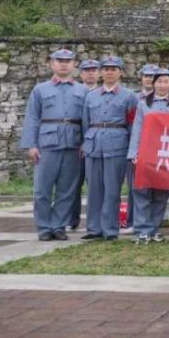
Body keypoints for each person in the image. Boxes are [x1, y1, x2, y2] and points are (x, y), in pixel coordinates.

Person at [20, 48, 87, 242]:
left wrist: (85, 143)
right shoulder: (40, 89)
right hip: (47, 145)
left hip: (72, 145)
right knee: (42, 189)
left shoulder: (82, 90)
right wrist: (31, 145)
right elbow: (32, 118)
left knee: (67, 190)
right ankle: (44, 227)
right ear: (52, 64)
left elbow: (87, 120)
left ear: (74, 64)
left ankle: (58, 226)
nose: (64, 63)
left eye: (68, 60)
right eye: (60, 60)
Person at [81, 55, 138, 241]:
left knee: (112, 189)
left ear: (120, 72)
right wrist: (85, 143)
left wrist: (132, 150)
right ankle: (93, 228)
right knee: (94, 189)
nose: (109, 72)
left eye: (113, 69)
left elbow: (132, 125)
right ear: (100, 72)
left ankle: (110, 229)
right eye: (106, 69)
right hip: (94, 144)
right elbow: (85, 122)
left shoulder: (130, 96)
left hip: (117, 145)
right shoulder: (91, 96)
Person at [127, 68, 169, 244]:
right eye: (159, 81)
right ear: (154, 84)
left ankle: (154, 229)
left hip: (166, 154)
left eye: (166, 81)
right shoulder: (144, 104)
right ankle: (142, 229)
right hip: (146, 153)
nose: (162, 85)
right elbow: (137, 129)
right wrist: (134, 153)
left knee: (161, 194)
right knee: (142, 192)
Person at [124, 63, 158, 233]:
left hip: (156, 147)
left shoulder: (164, 98)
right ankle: (132, 221)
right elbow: (130, 123)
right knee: (134, 186)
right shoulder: (133, 98)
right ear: (141, 78)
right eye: (146, 76)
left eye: (152, 76)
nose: (149, 79)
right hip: (136, 145)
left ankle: (152, 223)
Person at [68, 58, 99, 231]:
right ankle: (71, 220)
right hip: (75, 144)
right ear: (81, 74)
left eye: (94, 70)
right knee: (73, 184)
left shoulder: (102, 92)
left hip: (96, 144)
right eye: (87, 70)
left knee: (95, 184)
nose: (90, 73)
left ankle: (95, 221)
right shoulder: (74, 92)